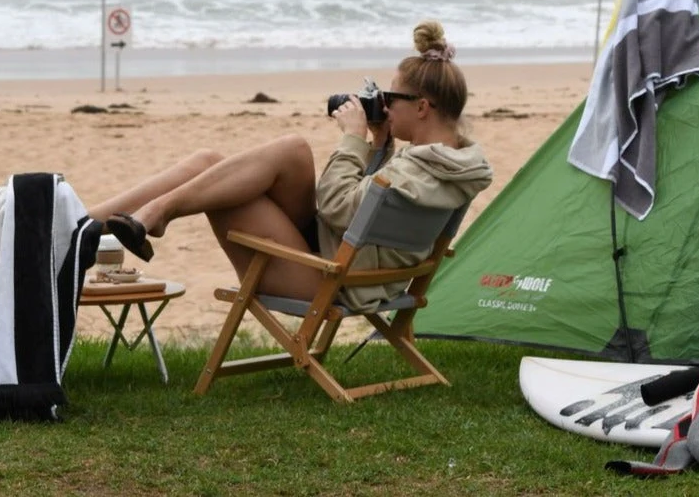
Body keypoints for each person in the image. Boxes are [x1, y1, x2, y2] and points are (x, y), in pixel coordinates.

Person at [89, 21, 493, 306]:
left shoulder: (418, 171)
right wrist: (379, 144)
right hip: (348, 259)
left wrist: (353, 138)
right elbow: (367, 212)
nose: (384, 104)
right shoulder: (451, 165)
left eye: (393, 97)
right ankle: (128, 217)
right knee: (270, 153)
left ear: (422, 107)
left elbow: (337, 206)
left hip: (330, 280)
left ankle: (109, 222)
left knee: (217, 175)